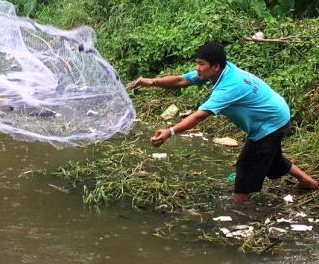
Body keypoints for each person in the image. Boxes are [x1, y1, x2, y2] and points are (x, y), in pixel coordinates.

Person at [126, 42, 318, 204]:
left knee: (246, 167)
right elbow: (181, 80)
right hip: (277, 113)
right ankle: (308, 181)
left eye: (201, 64)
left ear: (215, 66)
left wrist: (170, 131)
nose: (197, 68)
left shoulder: (228, 87)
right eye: (197, 64)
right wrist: (150, 82)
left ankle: (239, 212)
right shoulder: (220, 71)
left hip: (271, 123)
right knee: (271, 157)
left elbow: (199, 116)